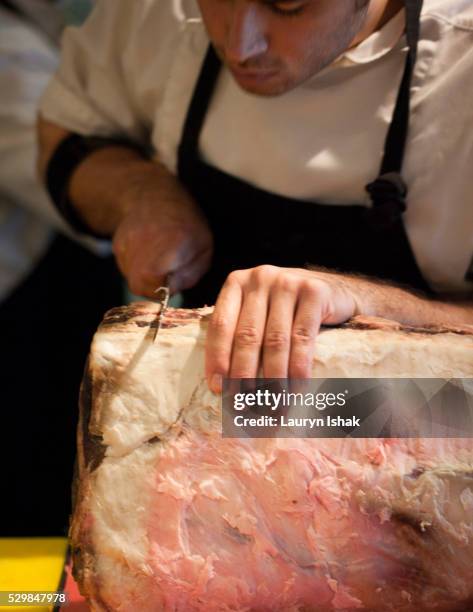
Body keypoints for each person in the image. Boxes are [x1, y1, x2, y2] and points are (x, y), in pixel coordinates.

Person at [37, 0, 472, 396]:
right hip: (215, 406)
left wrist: (373, 304)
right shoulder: (160, 9)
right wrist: (140, 193)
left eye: (288, 7)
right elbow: (68, 134)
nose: (239, 46)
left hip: (431, 418)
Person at [0, 0, 123, 536]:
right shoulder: (9, 50)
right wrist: (141, 199)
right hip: (25, 297)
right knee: (34, 495)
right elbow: (50, 178)